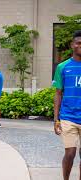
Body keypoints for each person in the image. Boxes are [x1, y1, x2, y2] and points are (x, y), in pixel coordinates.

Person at [53, 30, 81, 180]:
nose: (80, 45)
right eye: (78, 43)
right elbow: (58, 93)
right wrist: (56, 119)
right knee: (70, 153)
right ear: (72, 45)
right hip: (68, 117)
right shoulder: (62, 67)